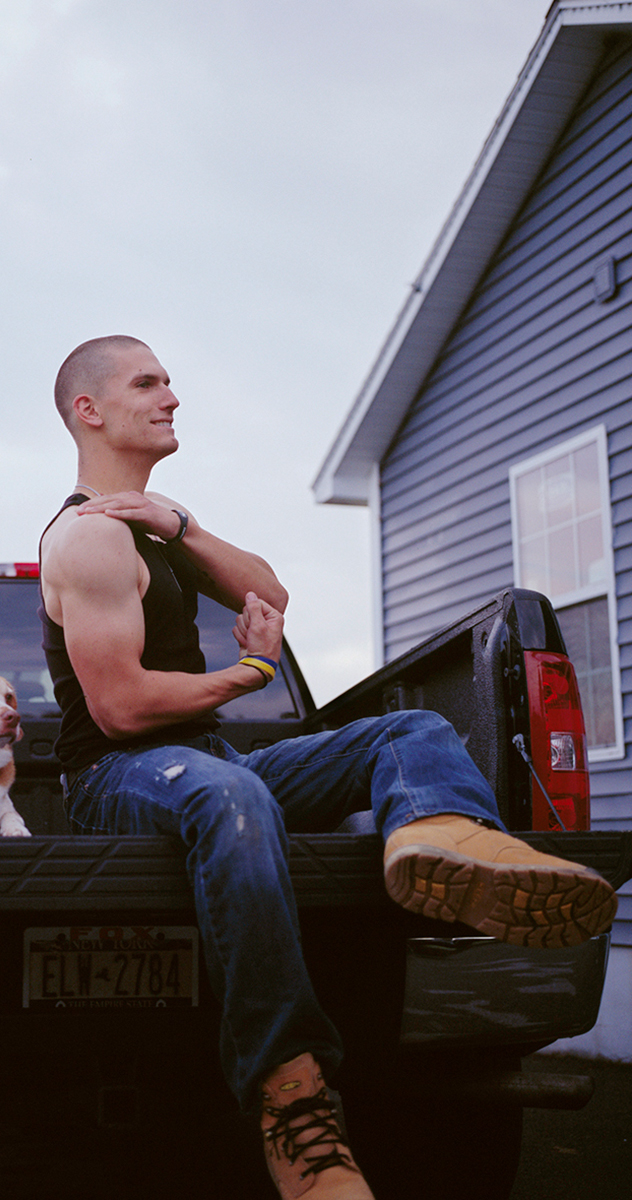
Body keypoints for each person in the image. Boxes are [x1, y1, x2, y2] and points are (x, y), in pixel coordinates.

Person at [38, 334, 617, 1200]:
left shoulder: (149, 531)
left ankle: (447, 844)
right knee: (230, 791)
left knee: (409, 731)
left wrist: (183, 524)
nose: (172, 397)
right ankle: (293, 1101)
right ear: (89, 410)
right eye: (147, 382)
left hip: (198, 762)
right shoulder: (86, 539)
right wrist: (253, 674)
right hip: (115, 777)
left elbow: (267, 593)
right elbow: (121, 709)